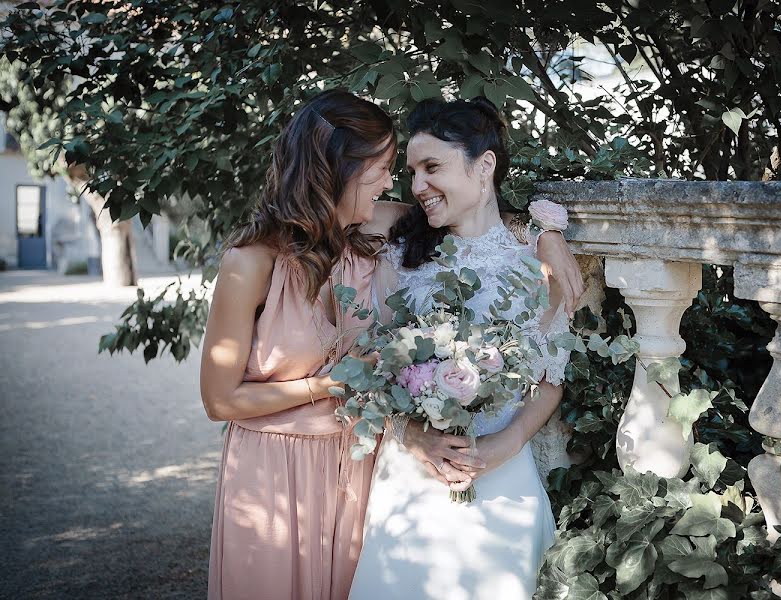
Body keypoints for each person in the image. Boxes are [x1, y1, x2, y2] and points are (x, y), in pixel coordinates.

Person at [201, 90, 581, 600]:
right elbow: (224, 397)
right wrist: (380, 413)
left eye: (423, 168)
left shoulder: (521, 260)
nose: (406, 184)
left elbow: (547, 372)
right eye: (393, 169)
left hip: (427, 466)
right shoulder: (365, 246)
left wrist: (546, 234)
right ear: (339, 169)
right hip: (340, 469)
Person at [349, 97, 572, 600]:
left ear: (485, 164)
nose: (418, 186)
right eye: (411, 171)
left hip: (502, 477)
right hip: (412, 482)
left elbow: (549, 378)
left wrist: (506, 443)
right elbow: (372, 370)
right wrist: (411, 435)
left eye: (433, 167)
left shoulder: (537, 267)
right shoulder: (401, 257)